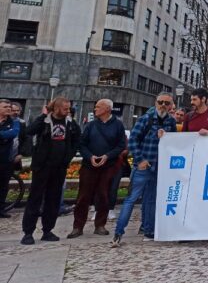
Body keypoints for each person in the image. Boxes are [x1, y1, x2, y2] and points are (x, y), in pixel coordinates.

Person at [111, 93, 177, 247]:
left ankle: (149, 230)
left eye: (167, 103)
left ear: (171, 105)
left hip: (158, 167)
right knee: (131, 199)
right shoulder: (145, 119)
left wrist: (167, 137)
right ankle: (118, 232)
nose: (163, 105)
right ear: (155, 102)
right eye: (160, 102)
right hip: (143, 166)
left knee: (151, 199)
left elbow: (174, 142)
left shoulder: (171, 121)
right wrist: (140, 159)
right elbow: (133, 140)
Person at [21, 97, 81, 245]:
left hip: (59, 166)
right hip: (42, 166)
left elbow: (77, 139)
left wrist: (68, 156)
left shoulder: (70, 123)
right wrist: (43, 115)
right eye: (65, 108)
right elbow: (30, 130)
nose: (68, 111)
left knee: (53, 199)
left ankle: (47, 229)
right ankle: (28, 231)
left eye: (69, 108)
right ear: (56, 108)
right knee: (35, 198)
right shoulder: (45, 121)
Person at [67, 99, 126, 239]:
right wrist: (90, 156)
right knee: (83, 196)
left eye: (98, 107)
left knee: (104, 195)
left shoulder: (118, 125)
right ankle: (77, 226)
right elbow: (82, 144)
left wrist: (108, 156)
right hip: (89, 165)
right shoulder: (91, 125)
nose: (95, 109)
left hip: (108, 166)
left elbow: (121, 145)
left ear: (107, 109)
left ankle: (100, 224)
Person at [0, 99, 21, 218]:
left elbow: (13, 133)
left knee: (3, 185)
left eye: (9, 107)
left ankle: (1, 209)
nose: (8, 109)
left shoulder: (14, 122)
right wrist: (4, 134)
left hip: (6, 159)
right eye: (5, 107)